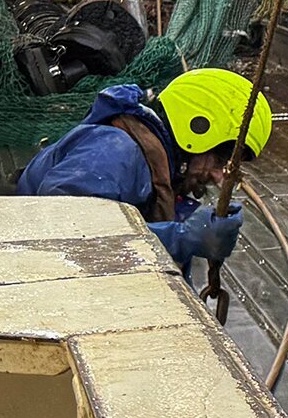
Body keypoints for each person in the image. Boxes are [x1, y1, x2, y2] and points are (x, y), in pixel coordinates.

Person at [15, 66, 272, 283]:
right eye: (219, 161)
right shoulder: (113, 153)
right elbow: (64, 234)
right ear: (197, 129)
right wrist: (181, 238)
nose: (218, 177)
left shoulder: (157, 161)